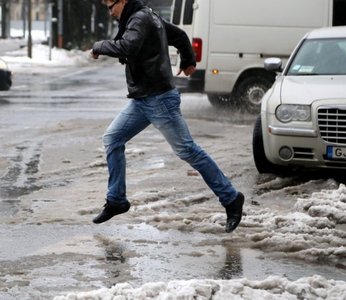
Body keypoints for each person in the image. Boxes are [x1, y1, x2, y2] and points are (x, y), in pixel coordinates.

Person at [90, 0, 244, 233]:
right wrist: (188, 60)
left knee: (188, 150)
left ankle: (231, 198)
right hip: (143, 99)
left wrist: (99, 46)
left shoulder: (140, 19)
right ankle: (117, 201)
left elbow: (127, 47)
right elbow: (180, 35)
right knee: (112, 139)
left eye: (110, 7)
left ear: (122, 1)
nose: (109, 12)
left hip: (159, 98)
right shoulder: (146, 17)